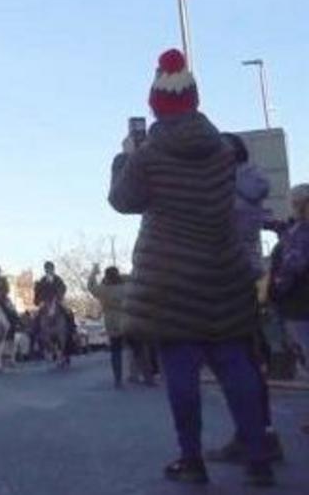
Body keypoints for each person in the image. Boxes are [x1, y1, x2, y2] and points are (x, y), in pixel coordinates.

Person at [108, 49, 273, 487]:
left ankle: (192, 459)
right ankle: (258, 455)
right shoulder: (221, 151)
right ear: (195, 100)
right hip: (224, 271)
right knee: (235, 363)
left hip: (170, 278)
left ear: (156, 106)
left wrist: (125, 157)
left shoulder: (149, 155)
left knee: (181, 371)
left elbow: (124, 201)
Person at [206, 134, 283, 463]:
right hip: (246, 276)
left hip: (224, 277)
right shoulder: (251, 183)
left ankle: (253, 437)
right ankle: (258, 433)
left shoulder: (225, 188)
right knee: (245, 357)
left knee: (233, 360)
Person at [270, 183, 309, 435]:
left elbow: (293, 266)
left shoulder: (301, 232)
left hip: (300, 303)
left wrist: (274, 289)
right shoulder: (295, 230)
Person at [88, 266, 127, 388]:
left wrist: (94, 273)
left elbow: (91, 286)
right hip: (127, 319)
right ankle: (147, 376)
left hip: (111, 321)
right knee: (138, 348)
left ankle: (118, 379)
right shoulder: (125, 288)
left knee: (116, 351)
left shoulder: (103, 290)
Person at [34, 261, 77, 355]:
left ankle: (73, 329)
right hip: (46, 302)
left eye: (50, 268)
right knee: (36, 316)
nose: (48, 270)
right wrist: (40, 300)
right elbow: (39, 292)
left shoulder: (58, 279)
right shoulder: (42, 280)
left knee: (68, 312)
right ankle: (37, 333)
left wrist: (58, 297)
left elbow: (63, 288)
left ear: (53, 269)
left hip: (57, 300)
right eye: (47, 269)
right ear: (45, 270)